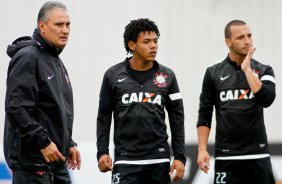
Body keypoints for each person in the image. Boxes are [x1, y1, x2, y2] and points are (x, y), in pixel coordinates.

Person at [96, 18, 186, 183]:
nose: (153, 46)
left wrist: (180, 156)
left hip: (159, 160)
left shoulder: (168, 76)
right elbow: (103, 116)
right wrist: (102, 151)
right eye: (146, 41)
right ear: (132, 45)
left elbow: (177, 118)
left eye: (155, 41)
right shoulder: (113, 75)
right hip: (125, 160)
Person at [4, 1, 81, 184]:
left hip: (56, 163)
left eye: (68, 24)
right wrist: (43, 143)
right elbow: (17, 108)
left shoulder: (55, 60)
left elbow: (51, 111)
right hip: (33, 164)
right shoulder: (28, 57)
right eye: (59, 24)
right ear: (42, 26)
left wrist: (68, 142)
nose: (65, 30)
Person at [197, 19, 276, 184]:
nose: (247, 41)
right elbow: (204, 114)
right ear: (228, 42)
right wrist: (202, 149)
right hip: (227, 156)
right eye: (240, 37)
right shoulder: (213, 73)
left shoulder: (264, 70)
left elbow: (267, 99)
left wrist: (247, 70)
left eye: (249, 36)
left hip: (258, 155)